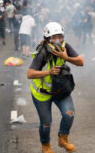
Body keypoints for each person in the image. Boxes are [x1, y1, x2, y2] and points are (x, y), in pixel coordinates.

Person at [27, 22, 84, 153]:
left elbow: (81, 62)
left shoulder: (65, 47)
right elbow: (30, 74)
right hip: (42, 93)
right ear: (47, 39)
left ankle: (63, 138)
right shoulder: (42, 52)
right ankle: (45, 145)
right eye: (54, 37)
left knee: (69, 114)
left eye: (60, 37)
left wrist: (66, 57)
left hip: (60, 90)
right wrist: (49, 72)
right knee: (46, 123)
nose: (57, 40)